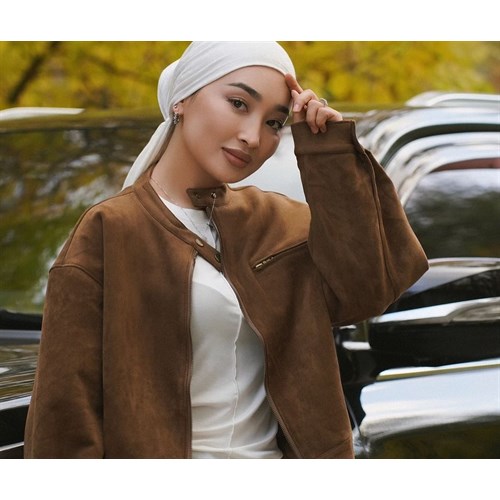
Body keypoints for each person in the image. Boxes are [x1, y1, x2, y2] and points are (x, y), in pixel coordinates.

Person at [24, 41, 428, 459]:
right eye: (238, 103)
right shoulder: (110, 231)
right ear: (182, 99)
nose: (252, 136)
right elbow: (65, 418)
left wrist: (330, 153)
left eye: (274, 122)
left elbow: (368, 290)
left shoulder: (279, 224)